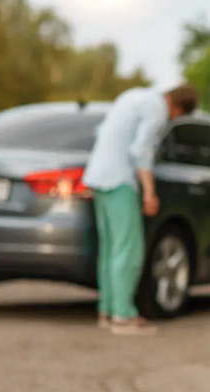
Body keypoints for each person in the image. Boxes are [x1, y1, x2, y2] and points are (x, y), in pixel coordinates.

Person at [82, 85, 198, 334]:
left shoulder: (132, 96)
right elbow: (141, 151)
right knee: (129, 249)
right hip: (120, 179)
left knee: (111, 249)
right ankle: (123, 315)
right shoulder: (156, 110)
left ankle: (108, 310)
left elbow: (102, 131)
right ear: (177, 108)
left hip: (97, 176)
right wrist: (149, 192)